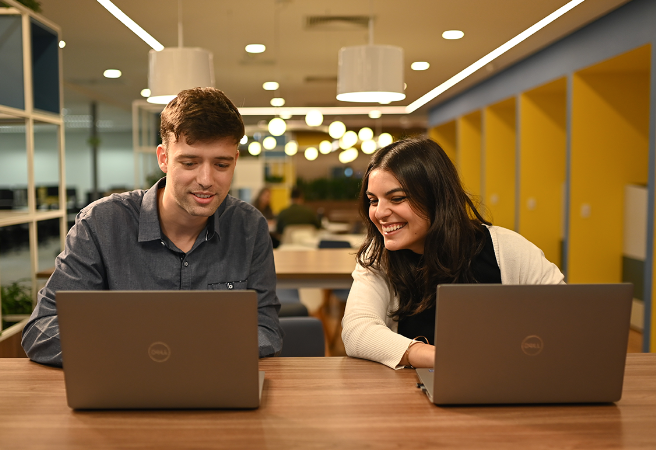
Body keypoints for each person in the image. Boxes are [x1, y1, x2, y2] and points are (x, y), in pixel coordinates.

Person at [22, 87, 284, 366]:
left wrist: (184, 353)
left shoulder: (249, 227)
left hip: (214, 390)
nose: (206, 179)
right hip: (123, 388)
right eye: (190, 162)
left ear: (235, 162)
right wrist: (141, 353)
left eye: (221, 164)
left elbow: (266, 329)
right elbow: (43, 328)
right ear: (163, 159)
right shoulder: (101, 223)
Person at [341, 138, 564, 369]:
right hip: (411, 395)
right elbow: (357, 329)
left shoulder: (507, 248)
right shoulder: (377, 258)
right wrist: (440, 357)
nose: (379, 213)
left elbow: (566, 315)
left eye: (397, 198)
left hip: (509, 379)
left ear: (436, 197)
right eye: (373, 200)